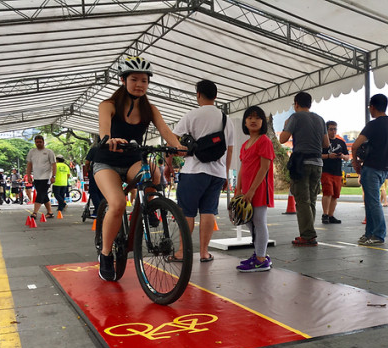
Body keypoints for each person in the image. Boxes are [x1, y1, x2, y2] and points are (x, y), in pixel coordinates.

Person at [93, 56, 186, 281]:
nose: (139, 85)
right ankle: (106, 254)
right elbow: (104, 129)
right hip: (106, 160)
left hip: (133, 158)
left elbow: (165, 131)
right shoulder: (108, 105)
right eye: (134, 79)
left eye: (144, 81)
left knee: (153, 172)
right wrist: (109, 139)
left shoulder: (150, 109)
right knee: (116, 204)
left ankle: (148, 209)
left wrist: (178, 146)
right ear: (123, 80)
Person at [171, 79, 236, 263]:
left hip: (193, 170)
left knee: (188, 212)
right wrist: (225, 173)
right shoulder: (226, 119)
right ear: (215, 96)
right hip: (217, 173)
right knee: (208, 211)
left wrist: (175, 156)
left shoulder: (191, 115)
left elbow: (173, 139)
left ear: (198, 94)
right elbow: (229, 149)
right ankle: (204, 253)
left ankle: (183, 251)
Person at [279, 91, 329, 246]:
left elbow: (282, 139)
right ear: (310, 104)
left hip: (301, 162)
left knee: (302, 200)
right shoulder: (320, 119)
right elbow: (326, 144)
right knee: (312, 200)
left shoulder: (295, 117)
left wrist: (287, 125)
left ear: (296, 104)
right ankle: (309, 232)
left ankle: (307, 235)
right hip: (318, 163)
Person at [351, 93, 388, 246]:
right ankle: (369, 233)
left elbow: (356, 145)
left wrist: (355, 162)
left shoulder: (373, 124)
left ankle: (378, 234)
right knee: (371, 202)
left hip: (371, 168)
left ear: (372, 107)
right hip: (384, 169)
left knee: (373, 202)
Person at [234, 106, 275, 272]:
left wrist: (251, 190)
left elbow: (264, 168)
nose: (253, 120)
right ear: (245, 121)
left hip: (259, 189)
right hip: (246, 191)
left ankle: (260, 259)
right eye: (250, 117)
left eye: (257, 118)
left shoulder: (264, 141)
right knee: (249, 221)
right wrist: (238, 188)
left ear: (263, 122)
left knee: (258, 222)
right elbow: (243, 168)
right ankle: (260, 254)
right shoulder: (245, 144)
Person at [320, 121, 349, 224]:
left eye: (335, 129)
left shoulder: (341, 142)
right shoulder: (323, 142)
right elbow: (318, 155)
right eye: (331, 129)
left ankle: (331, 215)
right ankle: (325, 214)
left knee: (335, 194)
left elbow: (347, 157)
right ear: (326, 130)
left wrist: (341, 156)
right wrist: (328, 156)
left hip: (337, 171)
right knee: (328, 192)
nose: (333, 131)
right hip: (326, 170)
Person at [25, 134, 57, 220]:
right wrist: (28, 175)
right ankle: (50, 212)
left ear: (43, 142)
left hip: (46, 177)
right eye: (37, 142)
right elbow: (29, 164)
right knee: (43, 194)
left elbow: (54, 165)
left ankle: (34, 213)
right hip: (36, 177)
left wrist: (53, 176)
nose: (38, 143)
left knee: (40, 194)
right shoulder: (32, 152)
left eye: (40, 142)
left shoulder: (49, 152)